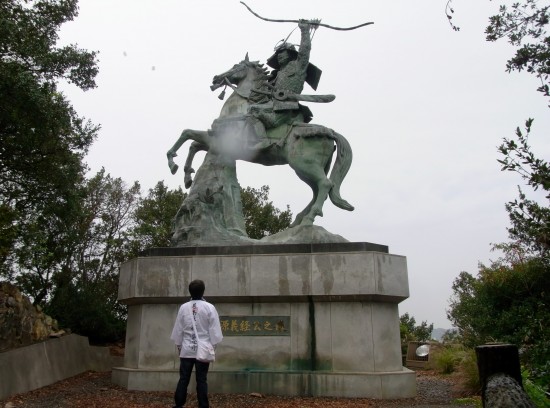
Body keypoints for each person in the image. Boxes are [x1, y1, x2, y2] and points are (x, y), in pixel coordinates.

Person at [246, 19, 322, 151]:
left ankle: (263, 141)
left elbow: (304, 51)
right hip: (273, 105)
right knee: (251, 107)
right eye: (278, 55)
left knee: (253, 111)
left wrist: (304, 30)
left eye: (283, 53)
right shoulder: (278, 74)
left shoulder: (298, 67)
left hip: (286, 107)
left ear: (290, 54)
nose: (280, 57)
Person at [170, 280, 223, 408]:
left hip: (187, 349)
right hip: (203, 348)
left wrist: (179, 346)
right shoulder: (209, 307)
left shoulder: (183, 307)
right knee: (202, 379)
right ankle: (203, 405)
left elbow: (178, 329)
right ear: (203, 291)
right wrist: (213, 346)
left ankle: (179, 404)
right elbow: (214, 330)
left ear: (190, 291)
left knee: (183, 379)